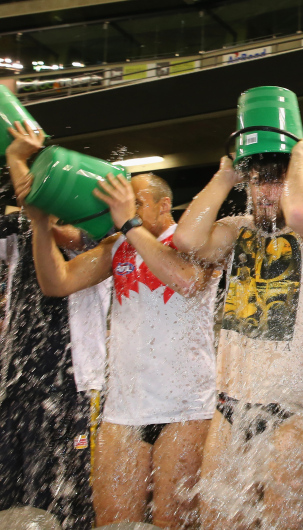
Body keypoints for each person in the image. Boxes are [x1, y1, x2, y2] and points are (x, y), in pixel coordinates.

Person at [18, 142, 216, 527]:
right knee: (110, 523)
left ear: (164, 206)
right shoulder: (117, 246)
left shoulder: (195, 241)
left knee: (171, 523)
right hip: (123, 411)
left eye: (134, 202)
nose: (122, 209)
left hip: (186, 410)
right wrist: (40, 224)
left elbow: (186, 281)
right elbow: (56, 282)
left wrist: (129, 225)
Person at [175, 138, 303, 529]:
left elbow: (301, 212)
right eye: (257, 182)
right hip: (232, 407)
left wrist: (300, 154)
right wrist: (225, 176)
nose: (265, 193)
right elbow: (186, 241)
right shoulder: (237, 230)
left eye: (277, 182)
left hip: (296, 412)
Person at [0, 123, 95, 530]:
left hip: (70, 383)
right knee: (10, 488)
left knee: (61, 493)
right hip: (15, 379)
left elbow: (67, 235)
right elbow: (22, 218)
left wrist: (17, 159)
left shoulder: (96, 232)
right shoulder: (24, 229)